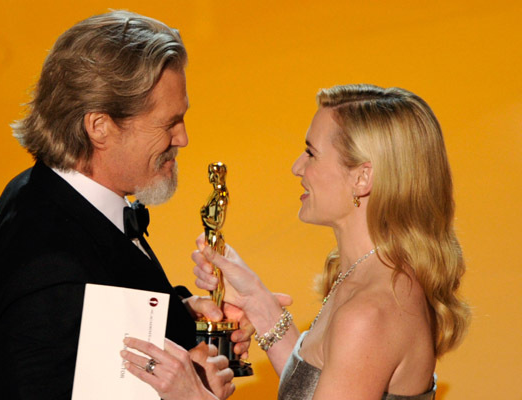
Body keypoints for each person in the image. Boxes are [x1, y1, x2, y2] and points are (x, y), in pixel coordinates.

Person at [0, 10, 248, 400]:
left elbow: (103, 315)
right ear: (99, 126)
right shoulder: (51, 271)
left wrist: (182, 314)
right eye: (169, 123)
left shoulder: (42, 192)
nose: (183, 138)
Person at [188, 84, 471, 399]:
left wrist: (192, 396)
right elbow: (314, 386)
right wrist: (257, 300)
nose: (297, 167)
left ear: (362, 177)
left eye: (311, 153)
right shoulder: (372, 276)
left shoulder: (368, 314)